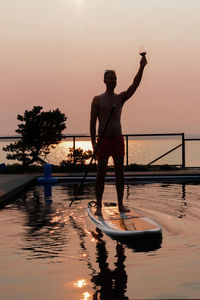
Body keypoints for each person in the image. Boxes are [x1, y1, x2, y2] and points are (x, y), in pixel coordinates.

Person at [90, 54, 147, 215]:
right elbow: (92, 123)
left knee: (119, 173)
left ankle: (120, 204)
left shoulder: (120, 98)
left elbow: (134, 85)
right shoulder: (97, 100)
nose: (113, 81)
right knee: (100, 174)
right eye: (110, 78)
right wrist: (94, 144)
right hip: (103, 141)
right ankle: (99, 206)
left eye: (115, 78)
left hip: (117, 139)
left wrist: (141, 66)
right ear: (104, 80)